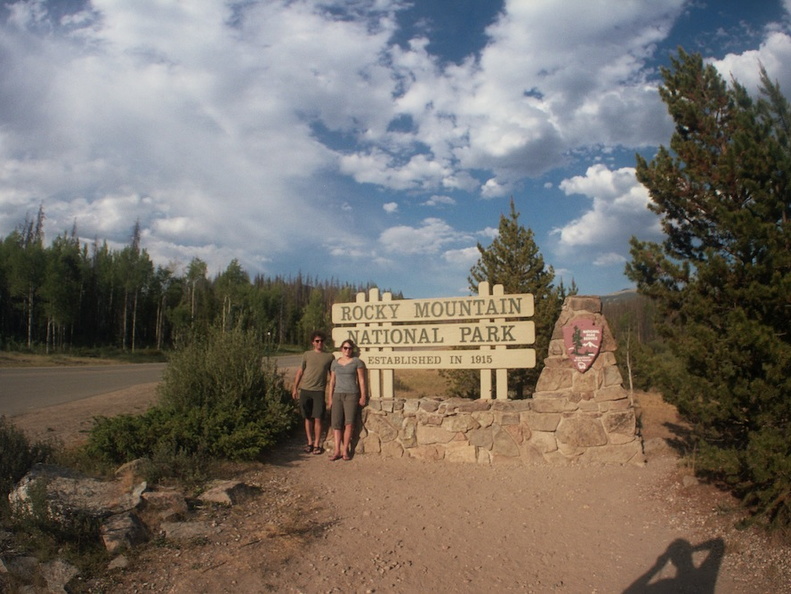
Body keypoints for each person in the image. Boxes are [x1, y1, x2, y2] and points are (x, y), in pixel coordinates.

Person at [292, 330, 335, 455]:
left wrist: (331, 393)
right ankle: (309, 442)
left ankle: (317, 444)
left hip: (319, 391)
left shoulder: (329, 357)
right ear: (313, 342)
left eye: (321, 341)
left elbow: (332, 376)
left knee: (318, 418)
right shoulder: (307, 355)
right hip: (305, 390)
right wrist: (295, 388)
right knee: (307, 417)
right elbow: (300, 371)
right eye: (317, 341)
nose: (319, 343)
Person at [328, 339, 367, 461]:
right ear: (341, 349)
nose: (347, 350)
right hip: (337, 394)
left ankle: (345, 450)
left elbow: (361, 380)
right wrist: (330, 398)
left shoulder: (357, 362)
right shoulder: (335, 363)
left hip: (351, 394)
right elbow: (332, 381)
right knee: (336, 424)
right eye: (345, 348)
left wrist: (363, 395)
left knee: (349, 423)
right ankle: (336, 450)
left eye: (350, 348)